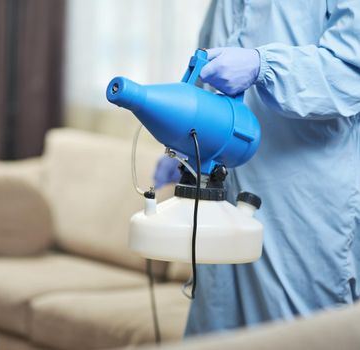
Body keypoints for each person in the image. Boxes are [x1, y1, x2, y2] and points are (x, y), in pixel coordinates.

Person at [154, 0, 360, 336]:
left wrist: (263, 65)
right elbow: (206, 61)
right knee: (216, 329)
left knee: (299, 334)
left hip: (299, 203)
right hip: (224, 191)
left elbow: (352, 70)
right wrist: (185, 143)